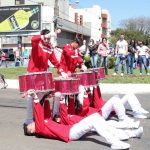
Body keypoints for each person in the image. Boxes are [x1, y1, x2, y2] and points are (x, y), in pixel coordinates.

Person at [24, 89, 136, 150]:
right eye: (30, 125)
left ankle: (121, 136)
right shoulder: (40, 129)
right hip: (70, 133)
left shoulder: (45, 121)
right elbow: (38, 114)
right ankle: (115, 142)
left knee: (96, 118)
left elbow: (48, 110)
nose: (31, 123)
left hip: (72, 128)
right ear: (32, 131)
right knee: (94, 120)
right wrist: (34, 98)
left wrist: (50, 96)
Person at [24, 29, 67, 125]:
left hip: (42, 75)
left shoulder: (49, 48)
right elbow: (33, 39)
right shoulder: (37, 43)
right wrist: (46, 35)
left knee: (43, 94)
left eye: (49, 38)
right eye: (46, 38)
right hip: (32, 74)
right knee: (31, 97)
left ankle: (38, 116)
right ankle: (29, 121)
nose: (47, 40)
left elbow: (55, 61)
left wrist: (61, 71)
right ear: (43, 36)